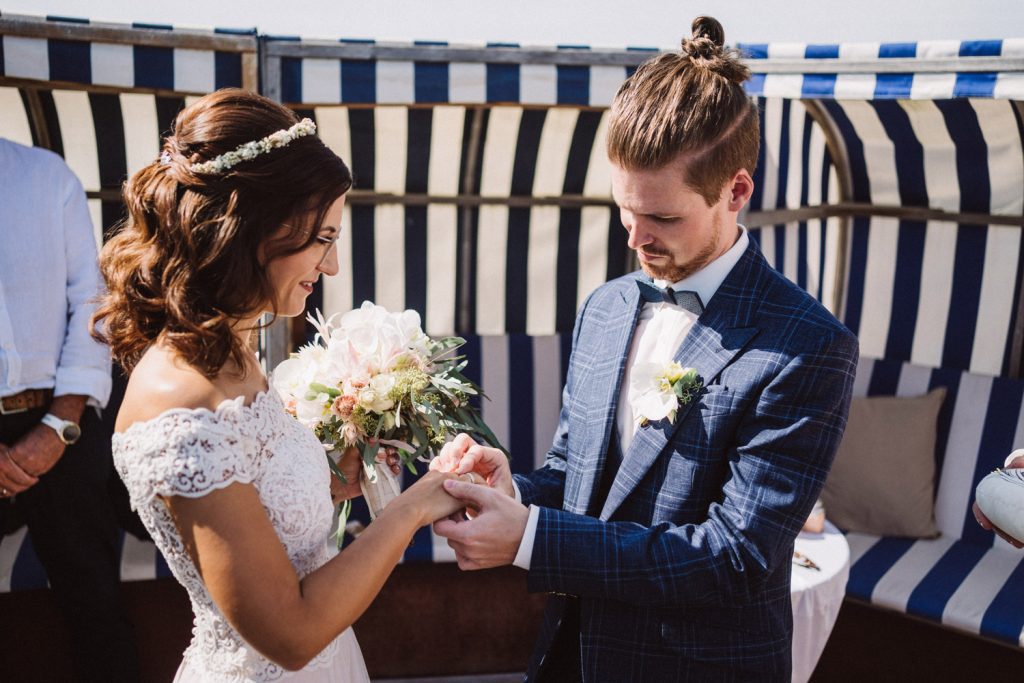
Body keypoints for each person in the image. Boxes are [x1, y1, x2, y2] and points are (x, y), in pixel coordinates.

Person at [431, 17, 860, 682]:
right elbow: (580, 478)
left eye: (662, 217)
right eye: (625, 213)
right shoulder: (606, 307)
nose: (637, 240)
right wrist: (514, 489)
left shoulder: (807, 346)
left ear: (736, 192)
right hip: (571, 655)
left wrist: (531, 538)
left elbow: (733, 558)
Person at [92, 89, 467, 682]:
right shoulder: (179, 402)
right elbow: (288, 635)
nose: (333, 266)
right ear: (251, 230)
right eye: (323, 238)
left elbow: (261, 507)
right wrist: (413, 508)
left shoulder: (233, 349)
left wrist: (332, 477)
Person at [0, 137, 141, 681]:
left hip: (65, 418)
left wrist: (59, 425)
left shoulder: (46, 176)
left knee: (96, 606)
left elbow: (93, 302)